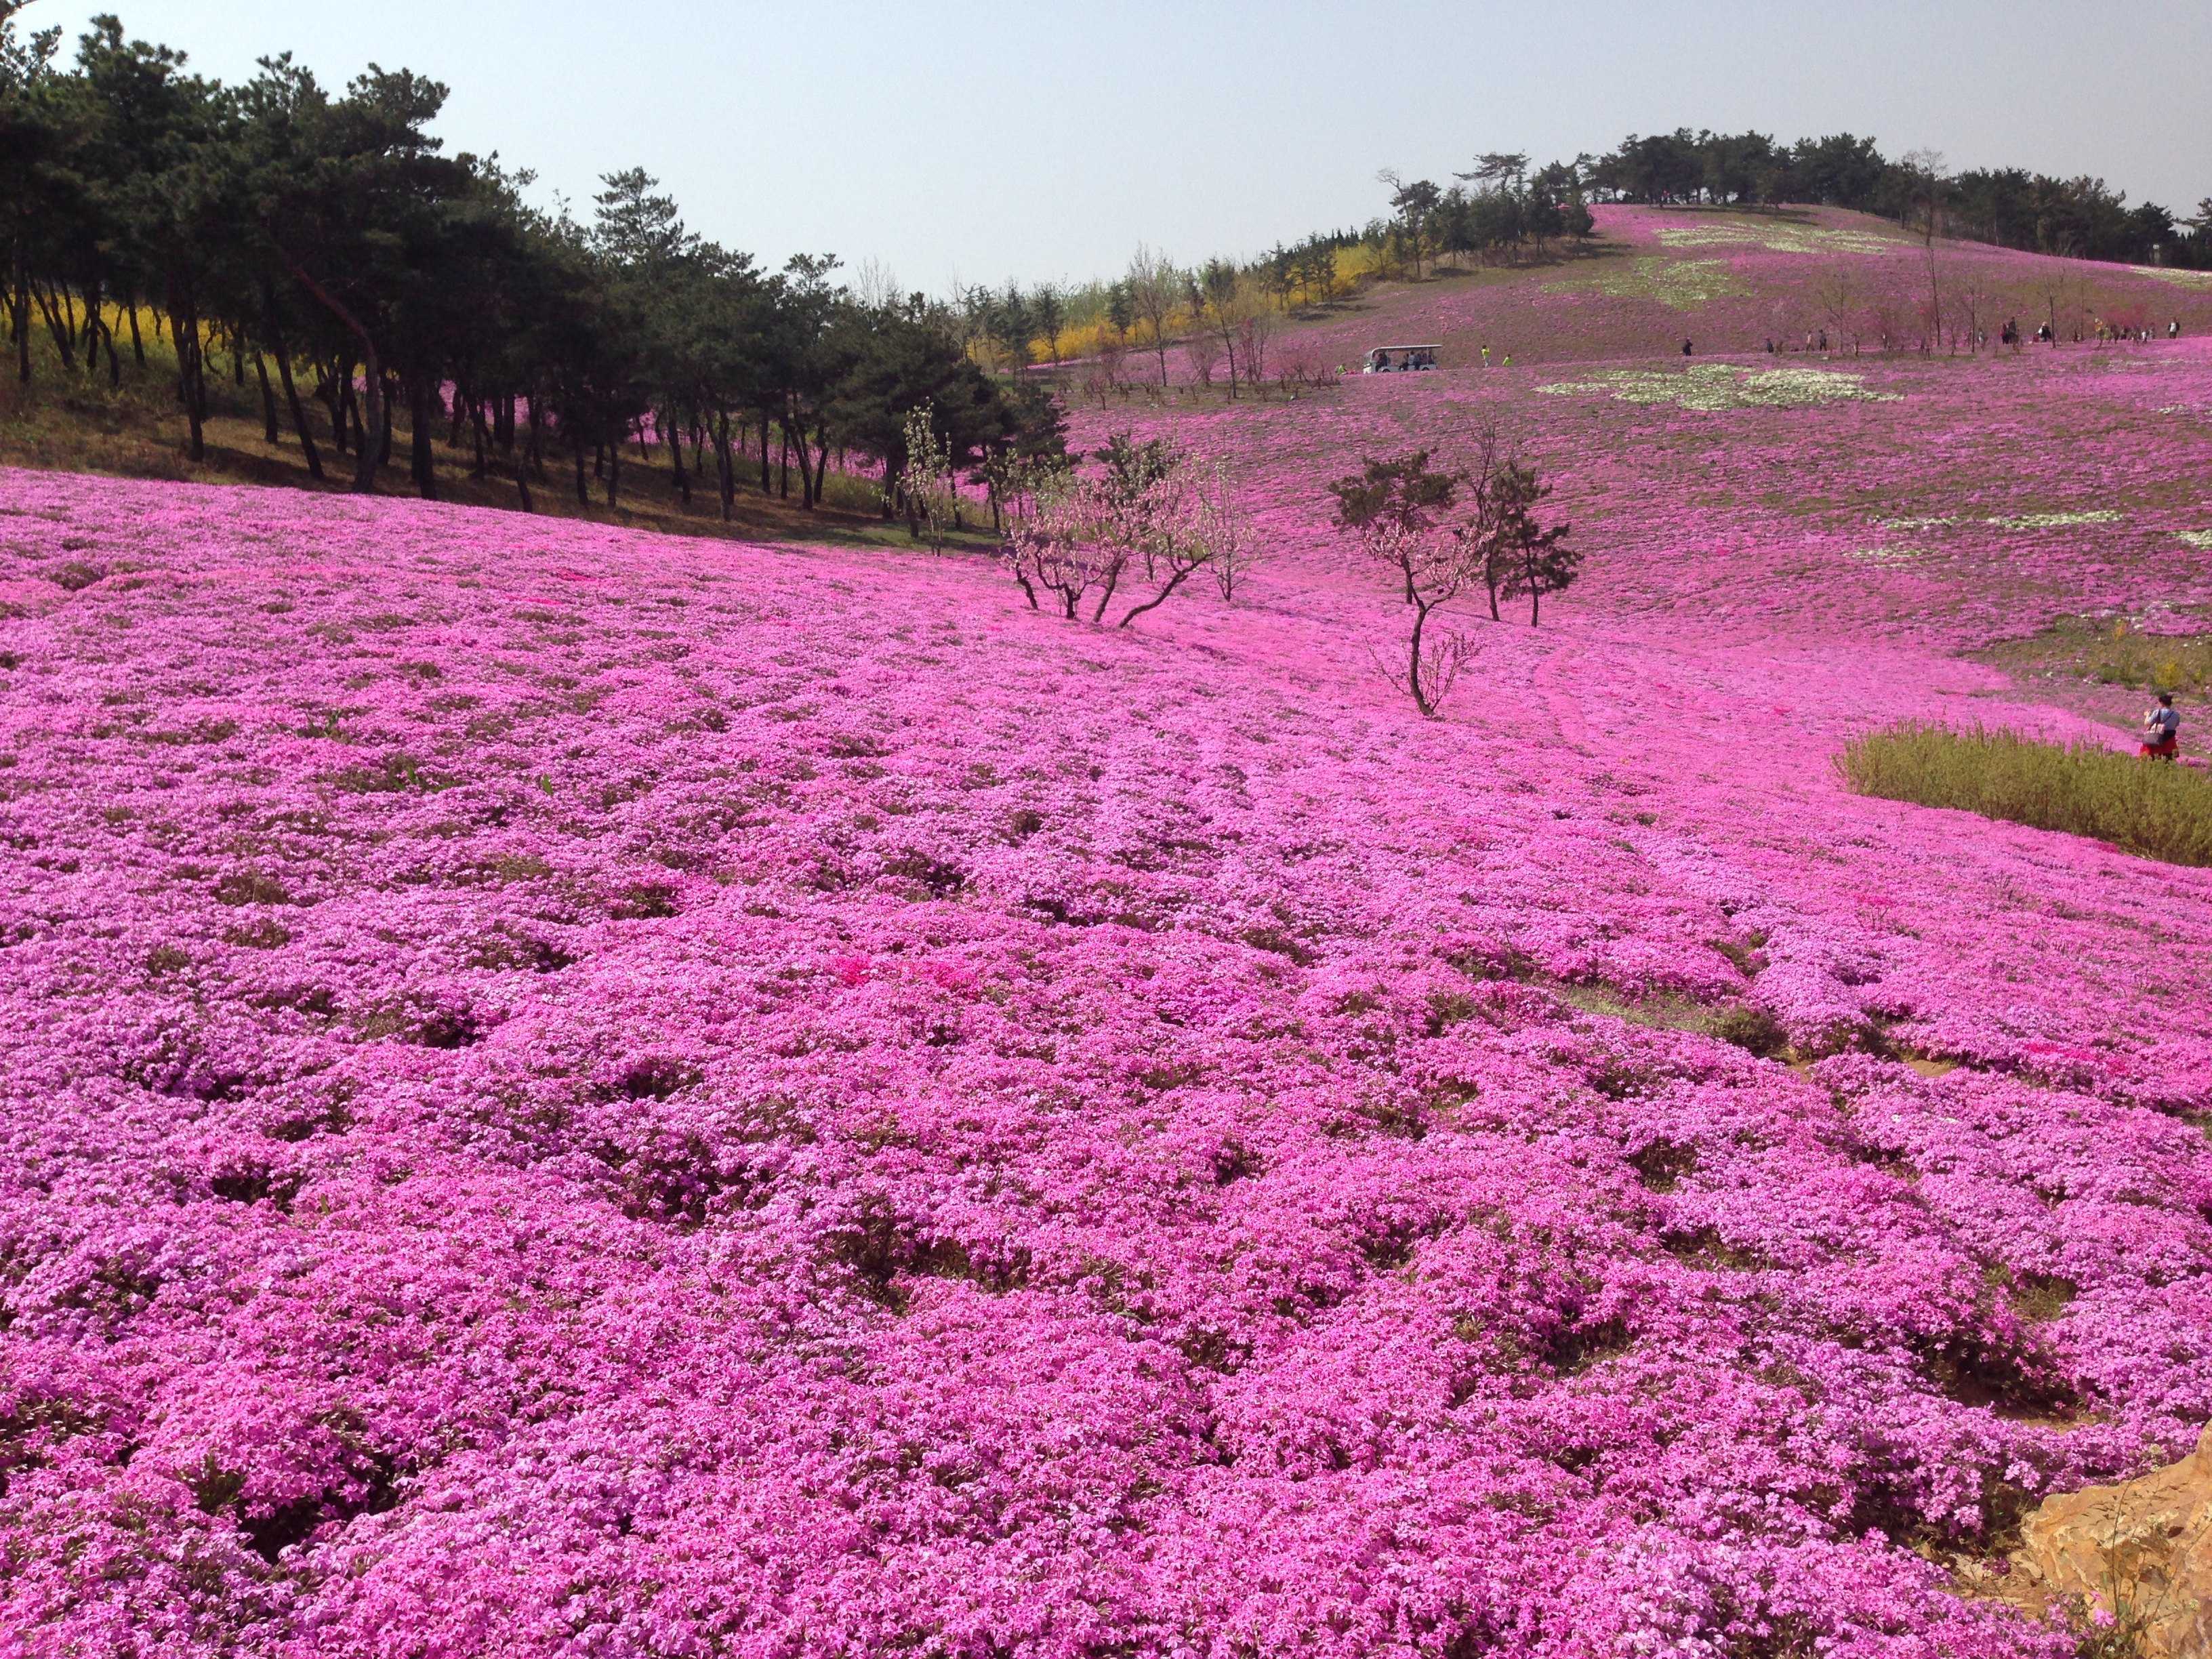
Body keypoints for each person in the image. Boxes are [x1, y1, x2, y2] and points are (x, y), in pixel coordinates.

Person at [2142, 691, 2181, 760]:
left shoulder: (2158, 712)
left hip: (2157, 739)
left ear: (2162, 703)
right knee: (2168, 761)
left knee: (2153, 760)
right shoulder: (2176, 715)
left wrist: (2147, 715)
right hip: (2170, 741)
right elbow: (2176, 725)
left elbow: (2147, 724)